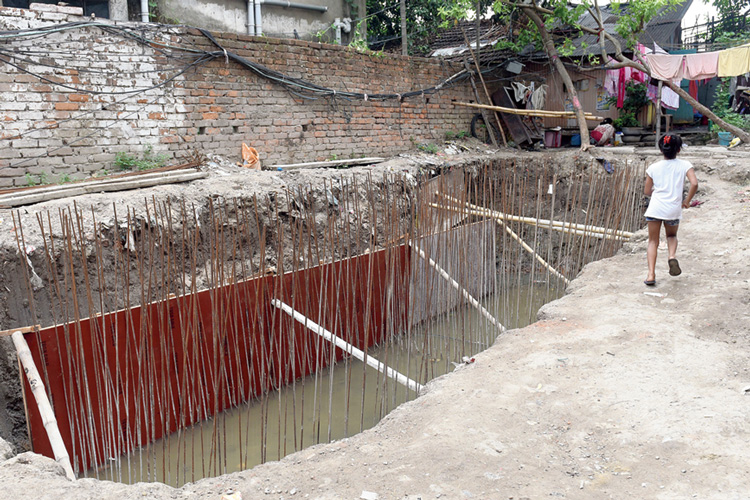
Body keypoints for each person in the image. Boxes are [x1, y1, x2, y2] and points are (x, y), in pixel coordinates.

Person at [643, 134, 698, 286]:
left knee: (653, 241)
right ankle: (671, 256)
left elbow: (647, 191)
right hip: (673, 209)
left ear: (661, 150)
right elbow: (694, 183)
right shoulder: (685, 164)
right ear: (679, 150)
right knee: (672, 236)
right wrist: (686, 201)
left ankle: (650, 275)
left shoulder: (653, 167)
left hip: (655, 208)